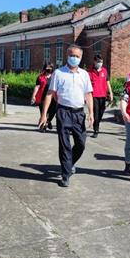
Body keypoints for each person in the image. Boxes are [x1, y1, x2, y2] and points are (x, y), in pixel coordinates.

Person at [39, 45, 94, 187]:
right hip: (63, 112)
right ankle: (65, 175)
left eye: (77, 56)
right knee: (64, 145)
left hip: (79, 113)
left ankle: (69, 164)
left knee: (81, 144)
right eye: (72, 55)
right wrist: (44, 115)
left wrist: (91, 113)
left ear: (81, 58)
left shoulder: (84, 74)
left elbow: (88, 94)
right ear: (67, 55)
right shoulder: (58, 73)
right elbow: (50, 94)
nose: (74, 58)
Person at [88, 54, 113, 138]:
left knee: (101, 112)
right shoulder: (90, 72)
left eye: (101, 62)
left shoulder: (104, 71)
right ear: (94, 62)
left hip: (103, 95)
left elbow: (107, 82)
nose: (100, 63)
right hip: (94, 95)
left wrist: (110, 92)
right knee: (96, 113)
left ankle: (96, 124)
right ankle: (96, 130)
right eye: (98, 62)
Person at [31, 63, 56, 132]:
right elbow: (37, 87)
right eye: (47, 68)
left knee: (52, 111)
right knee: (43, 112)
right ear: (45, 68)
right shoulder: (40, 77)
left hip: (53, 98)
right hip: (42, 98)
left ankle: (48, 121)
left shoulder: (55, 77)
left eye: (50, 68)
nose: (49, 69)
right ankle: (43, 126)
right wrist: (33, 96)